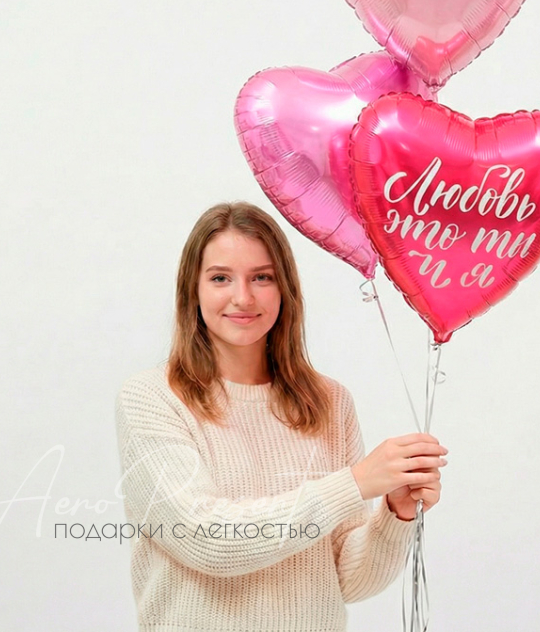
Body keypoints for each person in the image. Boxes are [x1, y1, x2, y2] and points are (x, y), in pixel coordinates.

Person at [115, 201, 448, 632]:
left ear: (284, 288)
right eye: (220, 278)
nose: (243, 297)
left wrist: (395, 514)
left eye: (262, 277)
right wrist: (354, 483)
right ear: (192, 290)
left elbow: (347, 581)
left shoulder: (329, 402)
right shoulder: (152, 398)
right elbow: (206, 540)